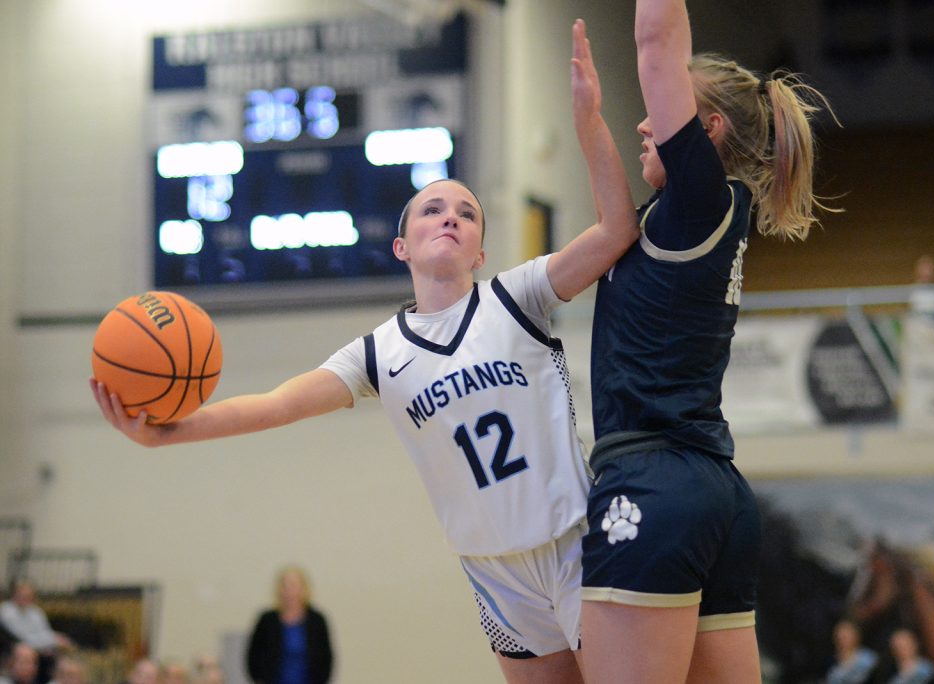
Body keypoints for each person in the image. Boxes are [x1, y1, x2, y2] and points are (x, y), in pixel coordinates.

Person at [91, 19, 637, 684]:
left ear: (481, 251)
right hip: (491, 570)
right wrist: (165, 436)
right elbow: (277, 405)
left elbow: (615, 230)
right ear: (402, 246)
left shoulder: (515, 296)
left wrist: (589, 123)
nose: (449, 218)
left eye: (465, 214)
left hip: (574, 542)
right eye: (432, 209)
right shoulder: (380, 352)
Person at [579, 1, 837, 682]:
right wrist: (589, 124)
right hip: (713, 495)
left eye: (658, 111)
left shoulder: (699, 201)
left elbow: (657, 35)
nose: (645, 121)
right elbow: (612, 228)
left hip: (652, 488)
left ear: (705, 128)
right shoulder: (695, 218)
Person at [246, 567, 334, 684]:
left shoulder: (317, 621)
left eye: (294, 586)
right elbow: (253, 655)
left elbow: (326, 657)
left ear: (304, 589)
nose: (289, 591)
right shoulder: (267, 620)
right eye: (285, 586)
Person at [0, 582, 72, 684]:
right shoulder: (6, 611)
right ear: (13, 595)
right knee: (26, 653)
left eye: (28, 596)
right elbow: (22, 637)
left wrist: (54, 640)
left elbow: (45, 632)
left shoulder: (36, 612)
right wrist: (50, 641)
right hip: (14, 647)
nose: (24, 598)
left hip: (39, 649)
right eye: (21, 595)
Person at [825, 620, 878, 684]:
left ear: (856, 636)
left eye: (846, 636)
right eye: (840, 636)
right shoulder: (831, 660)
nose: (842, 639)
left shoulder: (868, 657)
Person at [907, 254, 934, 321]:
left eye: (929, 269)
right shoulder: (911, 290)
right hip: (917, 326)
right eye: (923, 269)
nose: (926, 273)